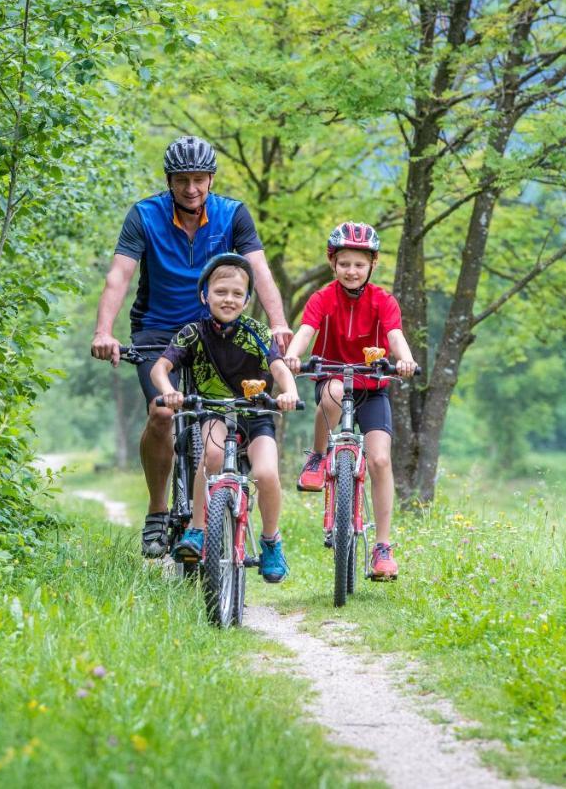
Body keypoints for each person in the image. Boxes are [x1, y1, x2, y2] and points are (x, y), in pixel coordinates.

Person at [90, 136, 293, 559]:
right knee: (163, 411)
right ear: (170, 180)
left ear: (210, 179)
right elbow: (119, 276)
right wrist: (103, 331)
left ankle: (220, 505)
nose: (191, 189)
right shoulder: (144, 216)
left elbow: (260, 270)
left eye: (199, 179)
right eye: (182, 180)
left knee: (223, 411)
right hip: (157, 332)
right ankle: (158, 512)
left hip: (216, 330)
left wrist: (277, 324)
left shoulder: (232, 214)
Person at [150, 253, 300, 582]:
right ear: (205, 295)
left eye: (236, 294)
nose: (228, 299)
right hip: (214, 411)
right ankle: (199, 530)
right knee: (212, 455)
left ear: (247, 300)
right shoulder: (192, 333)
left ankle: (271, 541)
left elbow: (279, 367)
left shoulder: (257, 331)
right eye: (220, 292)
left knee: (266, 473)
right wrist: (168, 390)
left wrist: (288, 391)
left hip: (255, 414)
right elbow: (161, 368)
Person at [283, 222, 417, 581]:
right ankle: (317, 455)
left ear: (372, 265)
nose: (351, 271)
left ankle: (383, 547)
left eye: (359, 264)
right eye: (344, 263)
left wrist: (404, 359)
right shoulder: (321, 298)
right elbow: (305, 332)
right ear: (333, 264)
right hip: (333, 380)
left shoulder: (383, 300)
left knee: (380, 458)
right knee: (333, 391)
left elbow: (396, 336)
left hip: (372, 387)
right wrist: (293, 356)